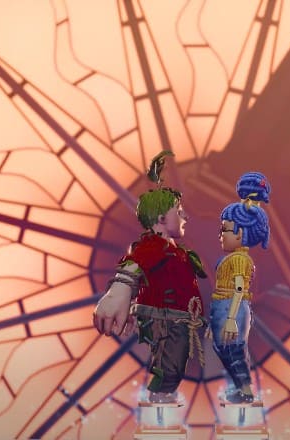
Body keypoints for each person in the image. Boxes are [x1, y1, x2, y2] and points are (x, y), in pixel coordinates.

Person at [92, 152, 207, 404]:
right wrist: (119, 291)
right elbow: (136, 265)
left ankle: (162, 395)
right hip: (167, 318)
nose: (185, 217)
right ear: (162, 219)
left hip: (177, 318)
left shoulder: (175, 250)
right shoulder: (154, 246)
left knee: (174, 361)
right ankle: (160, 397)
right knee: (170, 363)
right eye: (179, 212)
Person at [209, 171, 271, 403]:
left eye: (225, 230)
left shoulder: (239, 260)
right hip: (223, 307)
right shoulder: (234, 258)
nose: (220, 235)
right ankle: (240, 388)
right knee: (223, 348)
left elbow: (238, 290)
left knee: (233, 350)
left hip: (230, 307)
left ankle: (245, 390)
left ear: (241, 233)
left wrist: (230, 319)